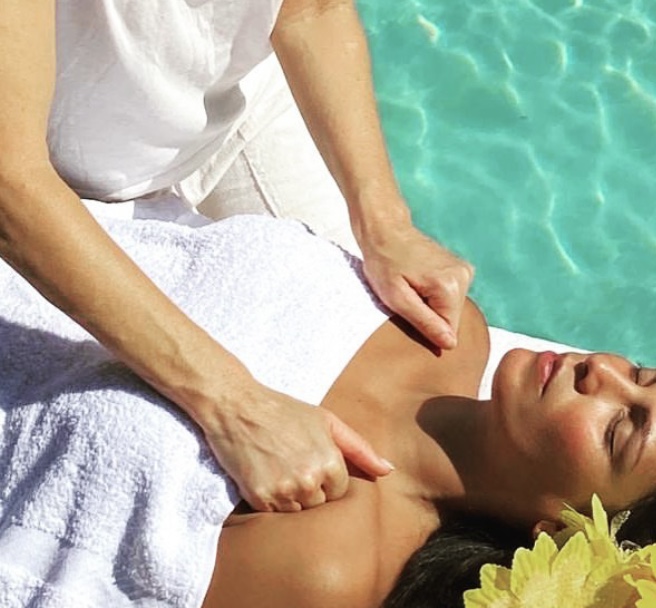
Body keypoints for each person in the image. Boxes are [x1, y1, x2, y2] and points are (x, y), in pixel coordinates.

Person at [1, 206, 656, 608]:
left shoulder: (320, 569)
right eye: (641, 372)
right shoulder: (444, 322)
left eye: (620, 426)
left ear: (559, 529)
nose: (602, 372)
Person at [0, 0, 473, 516]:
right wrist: (234, 404)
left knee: (369, 330)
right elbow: (11, 185)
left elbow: (311, 10)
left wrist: (387, 226)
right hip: (45, 169)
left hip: (226, 108)